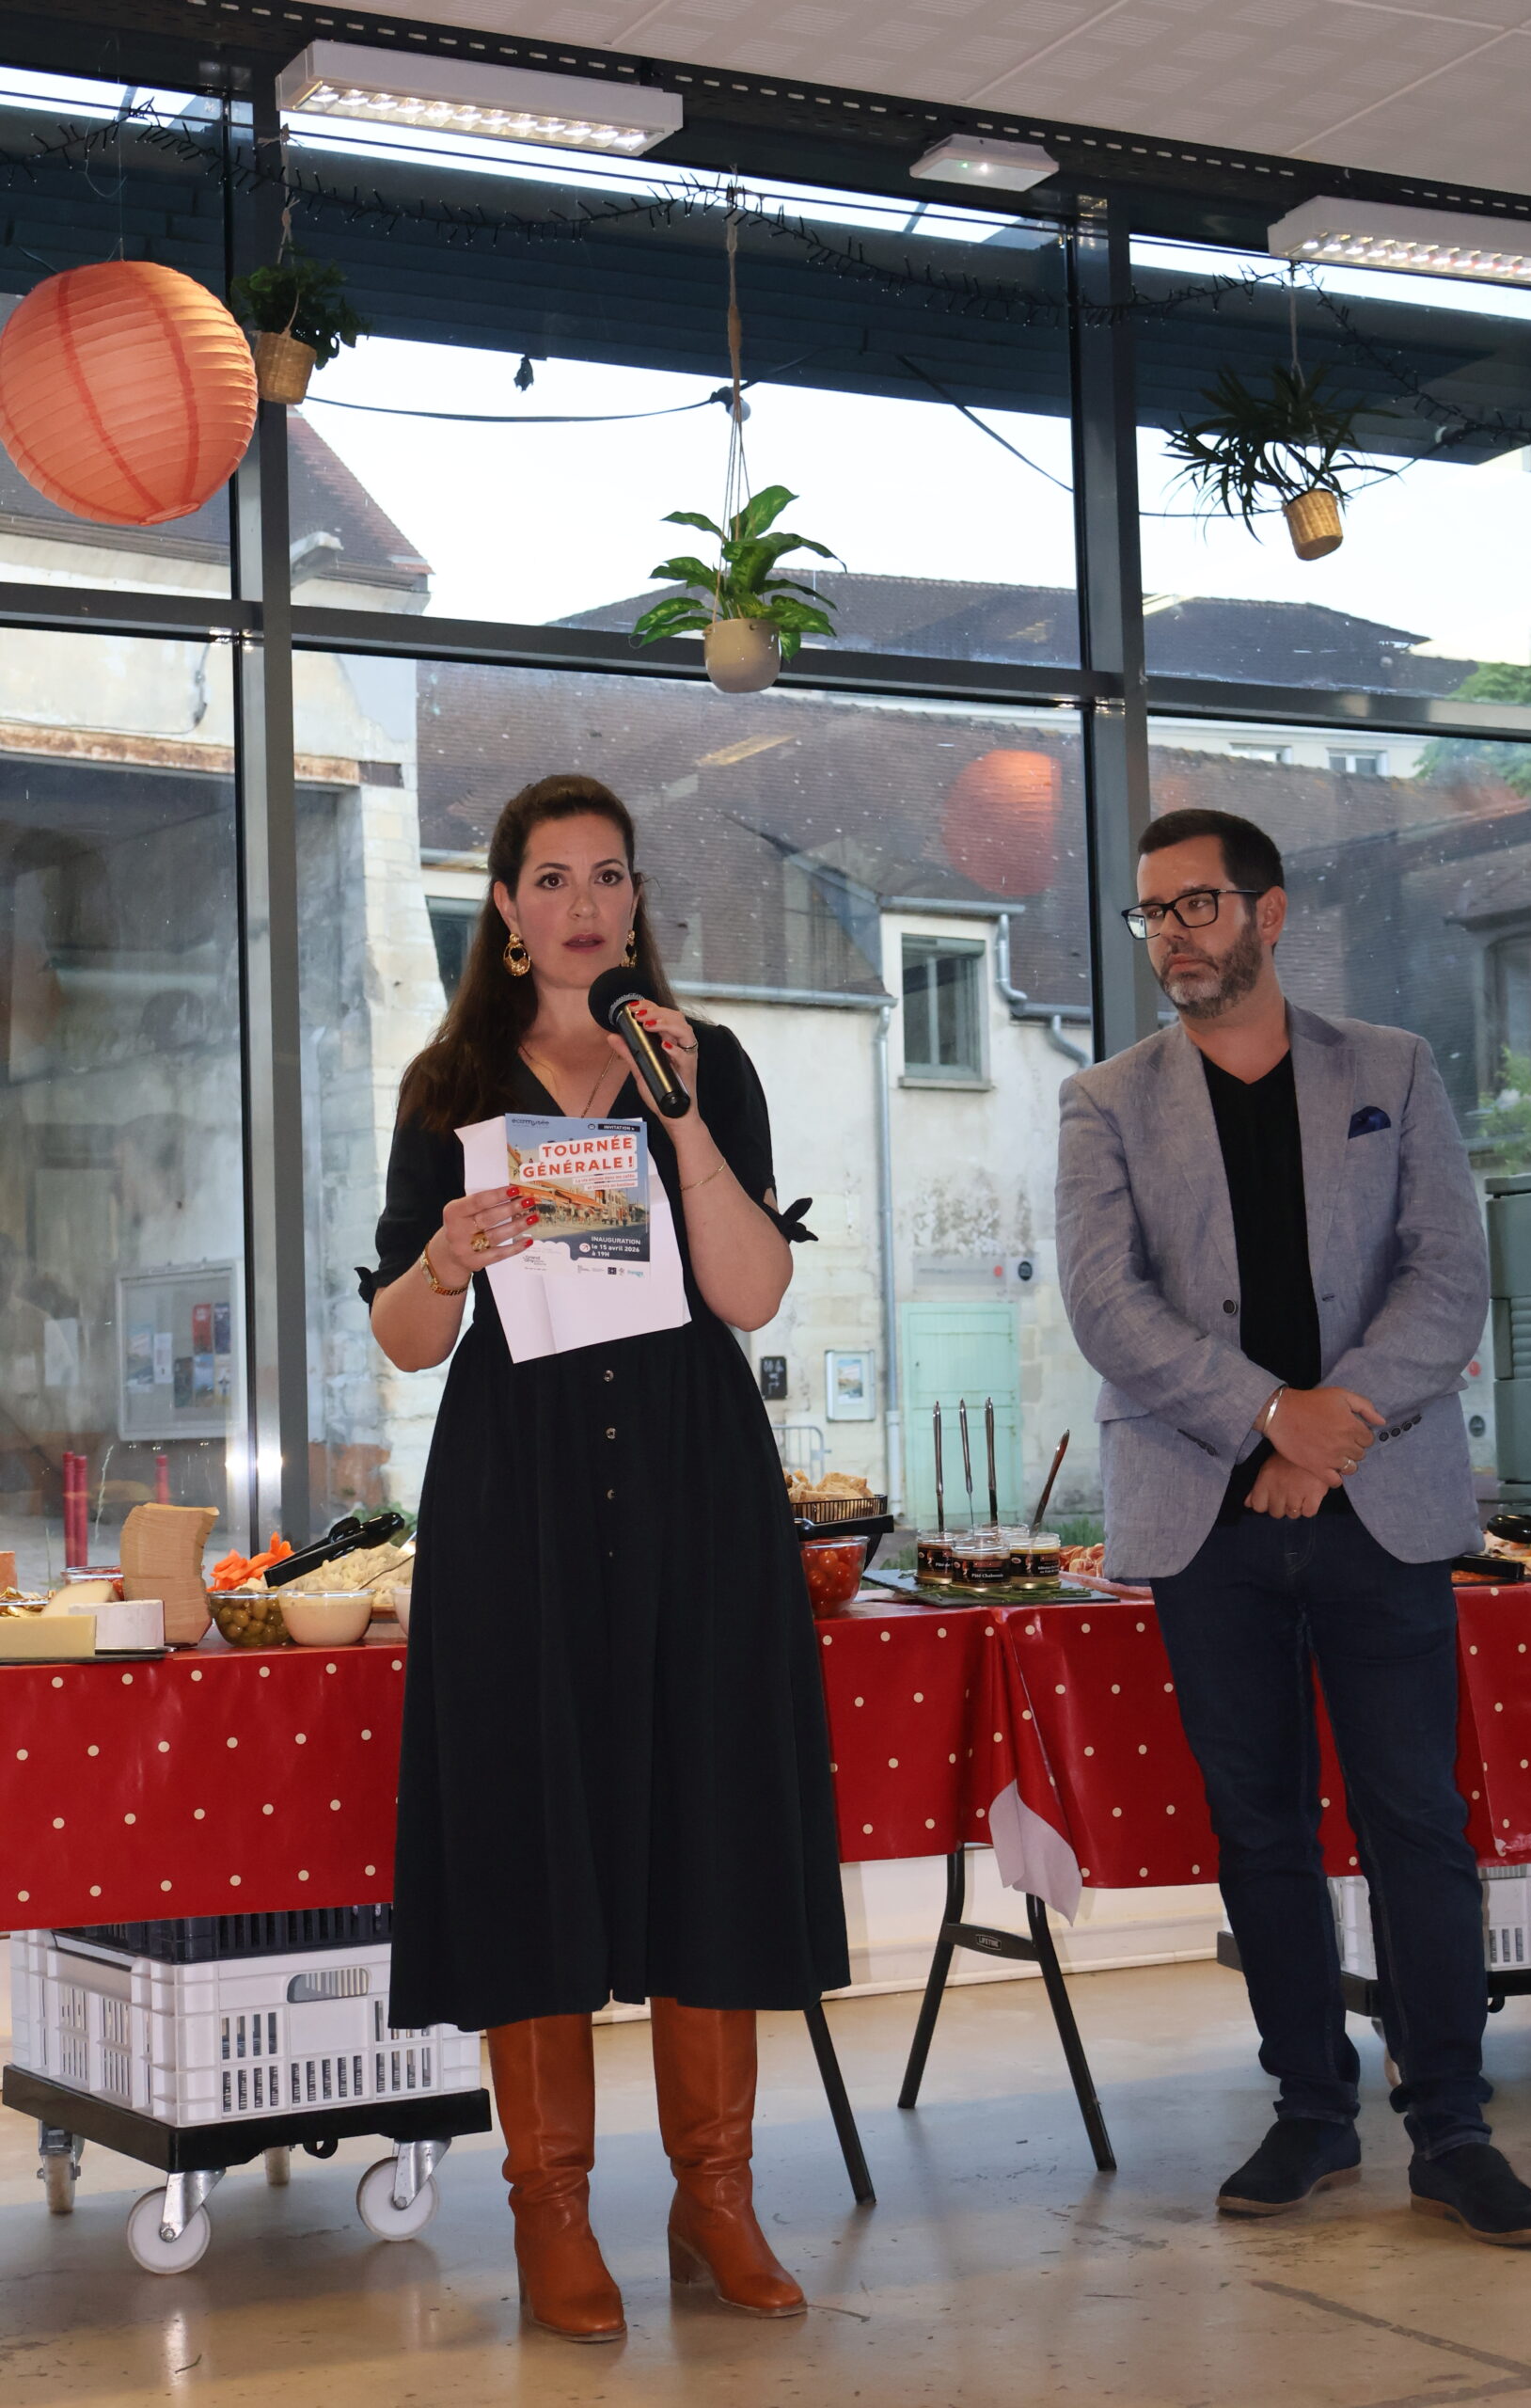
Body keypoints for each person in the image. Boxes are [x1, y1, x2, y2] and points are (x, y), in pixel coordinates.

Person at [362, 773, 850, 2338]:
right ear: (507, 908)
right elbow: (404, 1336)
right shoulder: (449, 1087)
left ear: (638, 903)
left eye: (611, 876)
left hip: (697, 1487)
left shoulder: (703, 1063)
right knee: (530, 1832)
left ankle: (717, 2199)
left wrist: (682, 1114)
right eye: (554, 877)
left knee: (713, 1819)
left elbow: (752, 1292)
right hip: (520, 1497)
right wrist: (448, 1257)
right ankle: (551, 2214)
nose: (585, 904)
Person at [1055, 805, 1531, 2249]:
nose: (1171, 935)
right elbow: (1106, 1305)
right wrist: (1273, 1419)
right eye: (1153, 912)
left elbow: (1446, 1276)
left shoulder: (1388, 1069)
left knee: (1418, 1819)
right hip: (1205, 1513)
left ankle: (1452, 2127)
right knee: (1261, 1824)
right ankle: (1311, 2111)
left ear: (1268, 915)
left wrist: (1334, 1430)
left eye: (1197, 906)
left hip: (1378, 1502)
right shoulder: (1105, 1101)